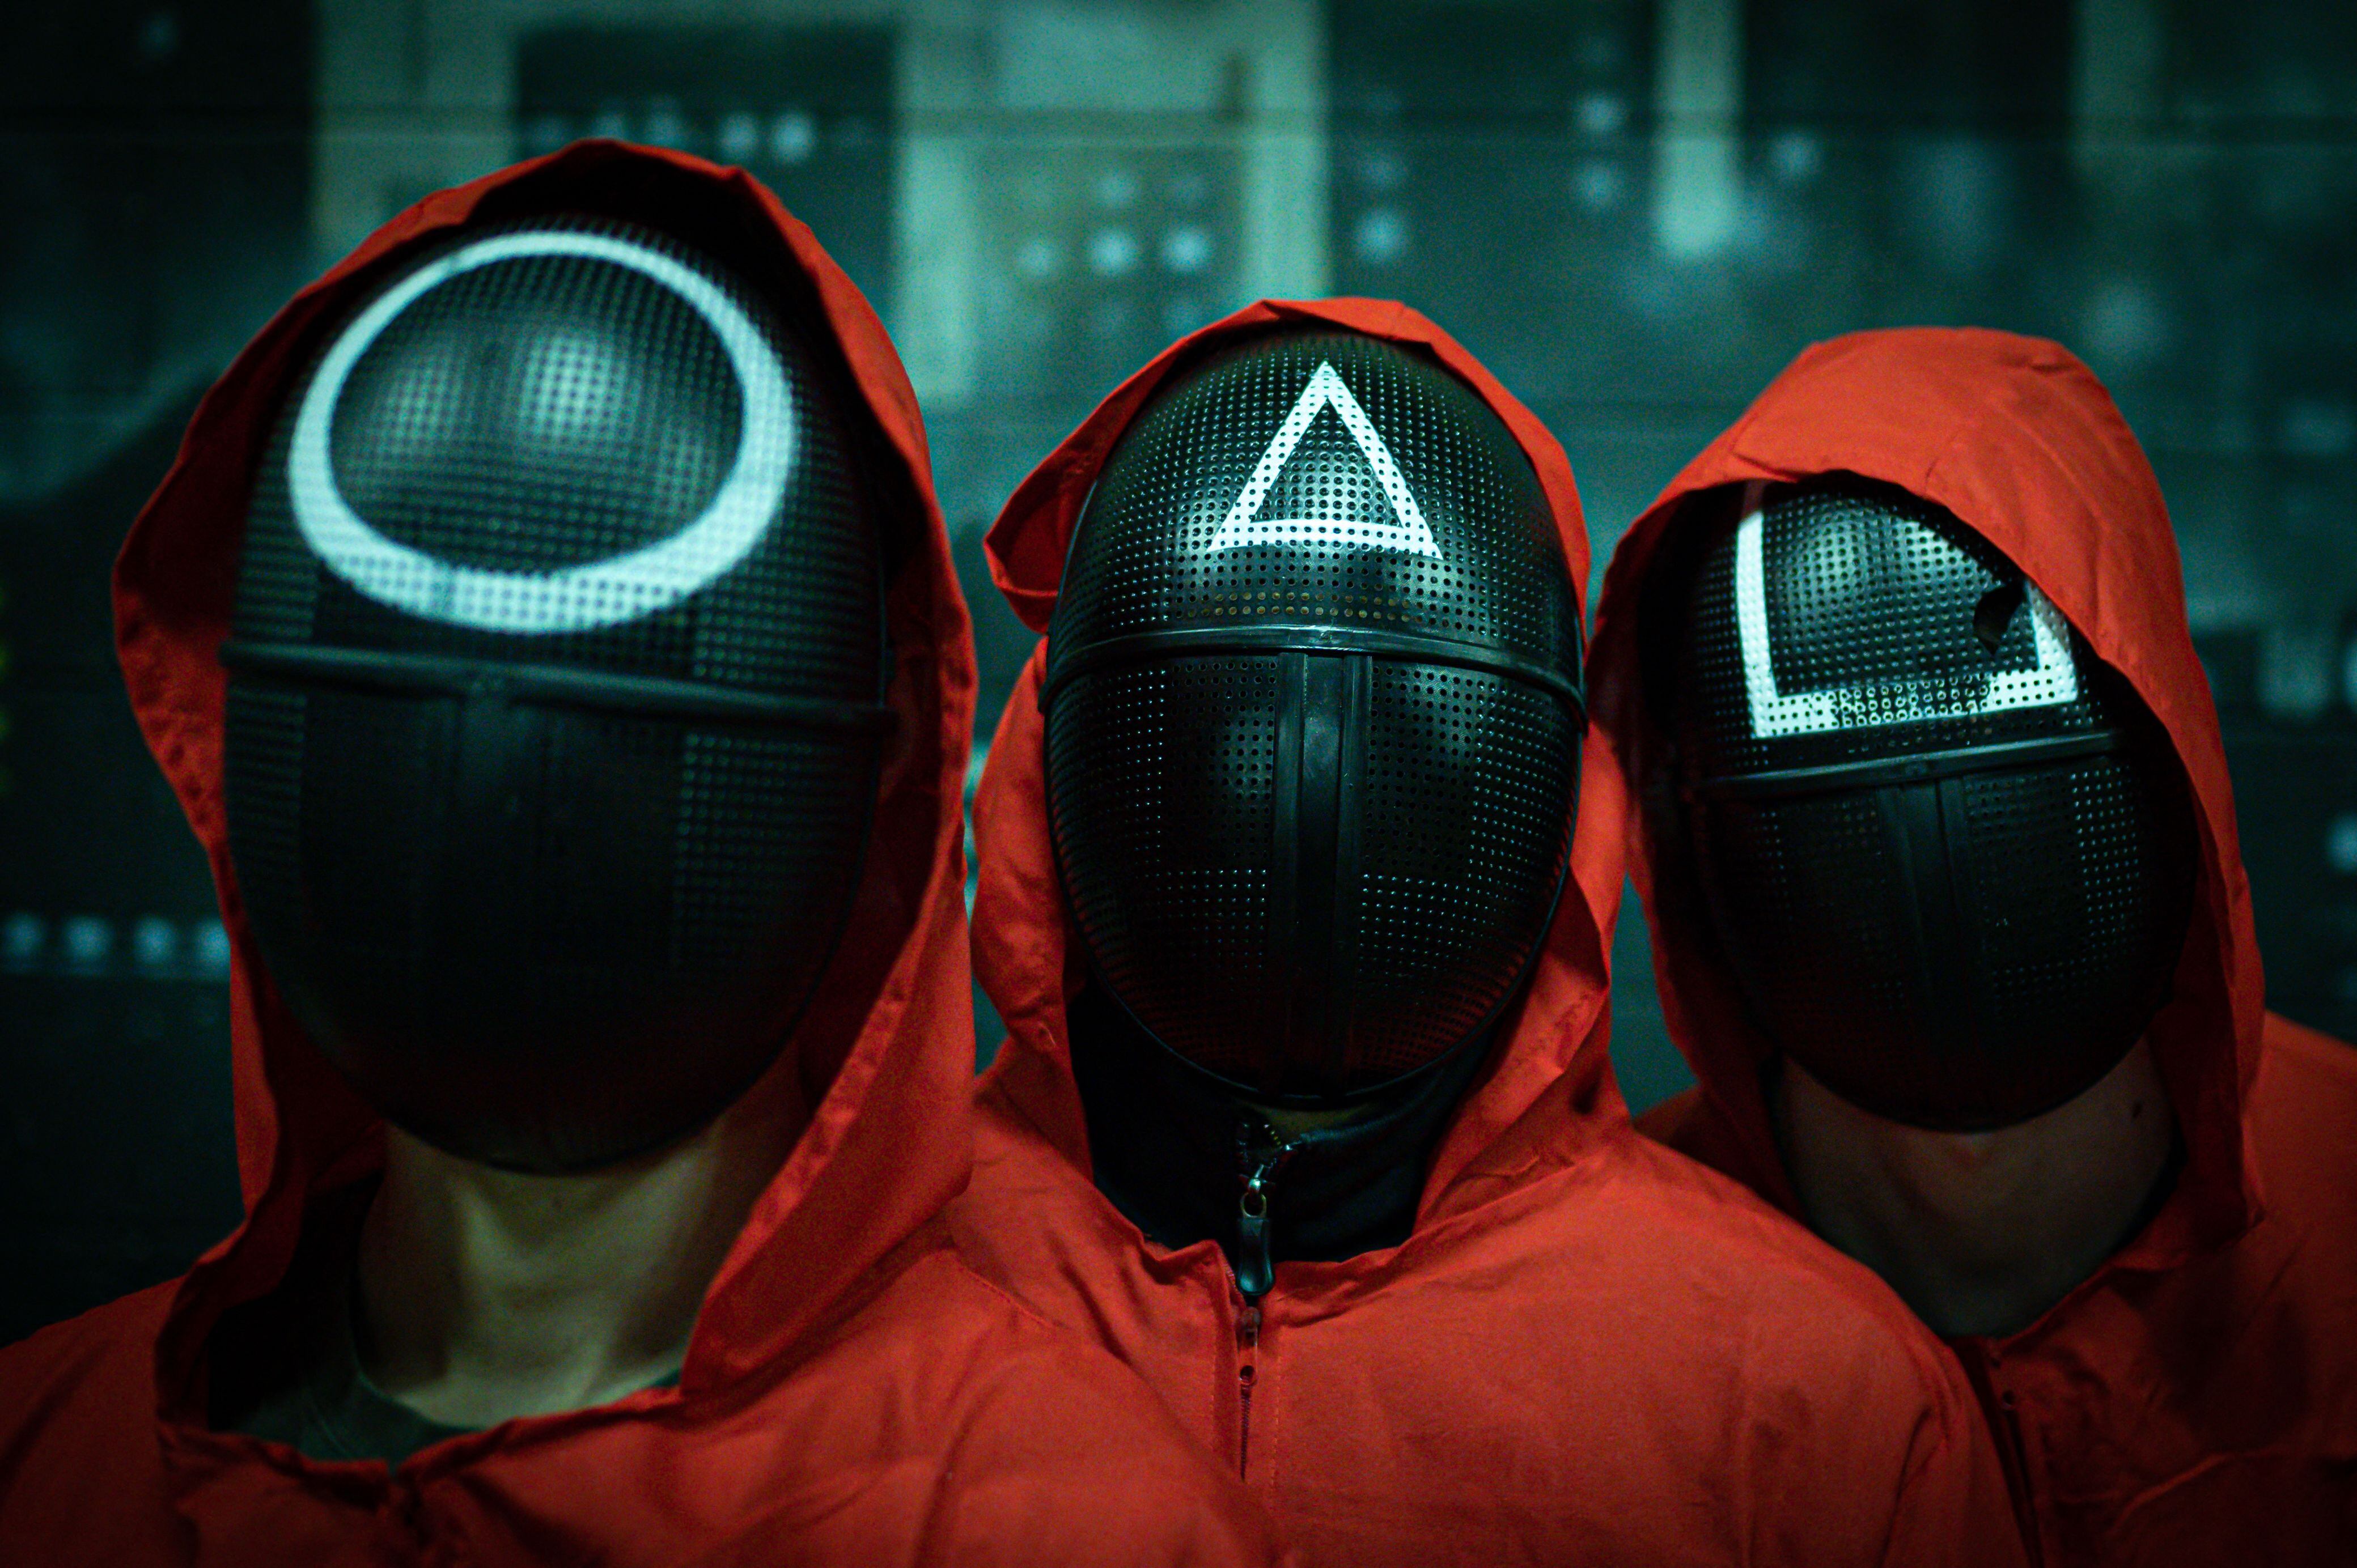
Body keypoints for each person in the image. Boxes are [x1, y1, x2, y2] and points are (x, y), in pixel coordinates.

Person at [0, 141, 1291, 1568]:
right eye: (424, 683)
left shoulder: (1066, 1528)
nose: (499, 772)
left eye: (621, 717)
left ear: (859, 791)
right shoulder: (48, 1456)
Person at [948, 299, 2027, 1567]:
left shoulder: (1805, 1398)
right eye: (1227, 718)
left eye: (1402, 717)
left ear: (1544, 780)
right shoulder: (885, 1293)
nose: (1313, 753)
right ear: (1062, 758)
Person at [1585, 326, 2357, 1566]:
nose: (1927, 839)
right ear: (1692, 818)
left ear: (2168, 748)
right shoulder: (1604, 1315)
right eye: (1833, 750)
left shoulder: (2345, 1202)